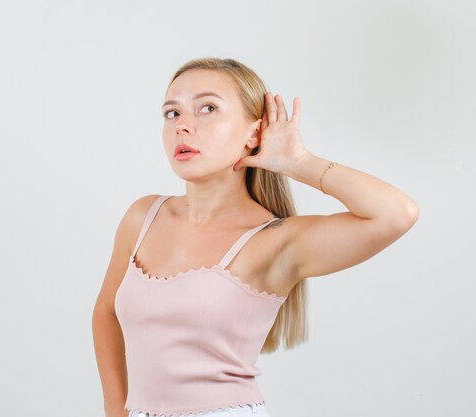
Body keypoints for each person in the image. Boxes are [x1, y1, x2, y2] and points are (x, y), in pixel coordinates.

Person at [92, 57, 419, 417]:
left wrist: (298, 161)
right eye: (172, 113)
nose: (183, 126)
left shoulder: (274, 241)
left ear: (254, 133)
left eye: (207, 108)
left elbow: (396, 214)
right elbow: (107, 311)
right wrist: (114, 409)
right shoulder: (143, 216)